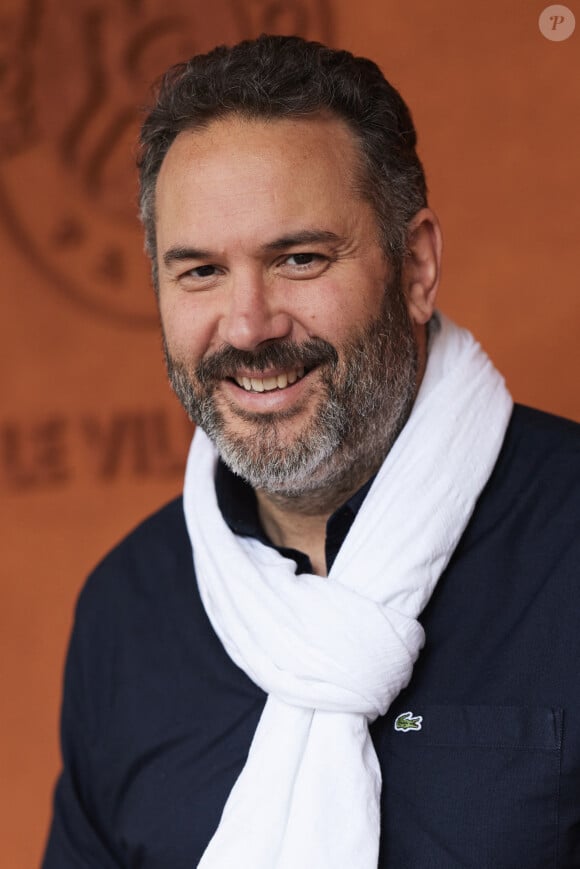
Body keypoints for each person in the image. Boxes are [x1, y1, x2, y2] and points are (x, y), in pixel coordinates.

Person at [43, 35, 580, 868]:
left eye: (299, 258)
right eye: (200, 272)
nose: (250, 325)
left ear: (417, 267)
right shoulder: (127, 611)